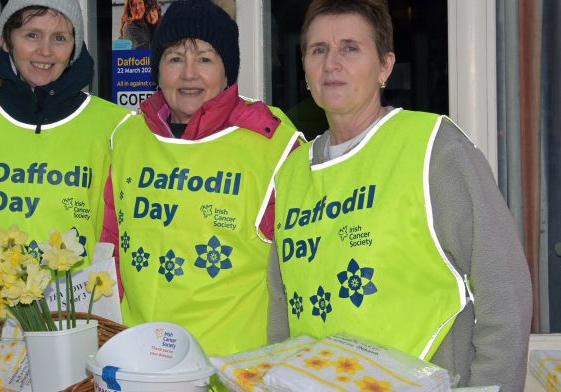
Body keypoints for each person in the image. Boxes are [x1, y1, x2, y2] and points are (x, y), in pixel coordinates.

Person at [272, 0, 532, 390]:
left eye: (350, 48)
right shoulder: (292, 173)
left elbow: (505, 293)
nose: (331, 64)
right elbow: (281, 305)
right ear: (305, 68)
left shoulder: (434, 148)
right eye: (318, 50)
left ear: (385, 66)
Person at [0, 0, 131, 349]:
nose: (45, 51)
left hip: (79, 332)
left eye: (60, 38)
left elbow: (125, 232)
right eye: (32, 34)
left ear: (75, 47)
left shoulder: (111, 126)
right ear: (7, 40)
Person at [102, 0, 303, 362]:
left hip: (233, 370)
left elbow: (299, 270)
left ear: (228, 71)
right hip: (140, 366)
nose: (189, 74)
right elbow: (112, 245)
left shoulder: (272, 144)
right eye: (175, 58)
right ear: (157, 70)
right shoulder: (129, 137)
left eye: (205, 59)